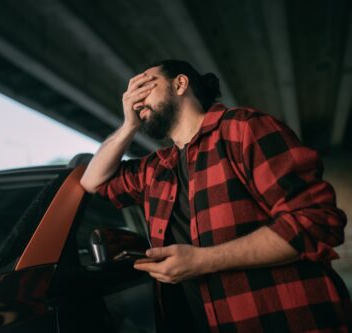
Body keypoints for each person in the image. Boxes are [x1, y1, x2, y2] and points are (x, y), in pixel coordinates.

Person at [80, 59, 351, 332]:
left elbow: (316, 222)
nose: (136, 100)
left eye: (144, 86)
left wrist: (203, 260)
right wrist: (129, 125)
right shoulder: (156, 169)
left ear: (180, 83)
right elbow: (93, 181)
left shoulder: (244, 129)